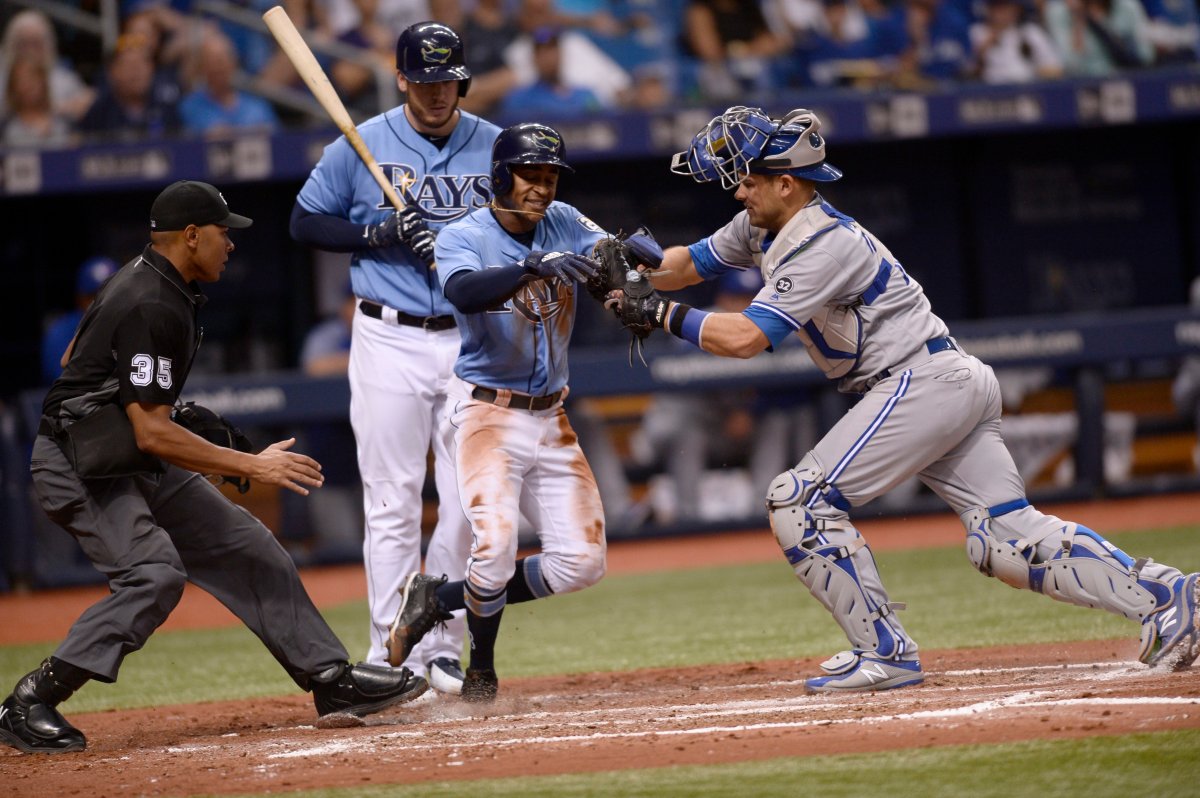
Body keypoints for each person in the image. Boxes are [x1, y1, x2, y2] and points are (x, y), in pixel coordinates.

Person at [615, 105, 1200, 692]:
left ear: (786, 183)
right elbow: (685, 264)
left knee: (800, 502)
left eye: (748, 180)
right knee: (1005, 540)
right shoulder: (765, 227)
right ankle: (1167, 594)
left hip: (920, 382)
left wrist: (658, 314)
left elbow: (744, 338)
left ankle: (885, 652)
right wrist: (616, 267)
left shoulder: (824, 243)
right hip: (942, 381)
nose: (739, 191)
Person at [0, 180, 428, 755]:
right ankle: (30, 699)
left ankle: (331, 680)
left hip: (124, 449)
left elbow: (74, 358)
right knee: (153, 576)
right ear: (193, 235)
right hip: (81, 463)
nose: (231, 245)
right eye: (225, 234)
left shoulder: (151, 281)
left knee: (249, 546)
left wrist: (131, 406)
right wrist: (252, 464)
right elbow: (151, 429)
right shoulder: (149, 299)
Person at [384, 122, 659, 701]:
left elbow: (611, 255)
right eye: (530, 175)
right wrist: (533, 268)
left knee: (582, 564)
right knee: (497, 543)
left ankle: (439, 598)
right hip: (487, 412)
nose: (542, 188)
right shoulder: (464, 235)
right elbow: (461, 292)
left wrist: (634, 260)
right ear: (500, 175)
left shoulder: (563, 218)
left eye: (550, 176)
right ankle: (481, 667)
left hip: (551, 416)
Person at [290, 21, 502, 696]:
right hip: (389, 335)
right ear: (402, 78)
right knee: (392, 500)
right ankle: (389, 652)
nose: (438, 93)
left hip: (471, 335)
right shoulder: (364, 141)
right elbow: (305, 221)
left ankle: (436, 638)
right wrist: (375, 232)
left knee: (471, 501)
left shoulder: (495, 145)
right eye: (425, 80)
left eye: (449, 81)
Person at [77, 32, 182, 141]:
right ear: (112, 72)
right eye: (129, 65)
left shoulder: (167, 104)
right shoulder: (99, 111)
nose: (136, 72)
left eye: (142, 64)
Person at [178, 29, 279, 137]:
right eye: (211, 62)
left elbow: (275, 136)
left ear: (233, 63)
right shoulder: (191, 105)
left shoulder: (256, 104)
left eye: (221, 61)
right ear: (202, 67)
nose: (218, 68)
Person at [0, 8, 94, 122]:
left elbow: (88, 105)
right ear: (12, 45)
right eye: (23, 43)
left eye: (35, 43)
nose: (30, 51)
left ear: (48, 45)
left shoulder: (65, 80)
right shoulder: (2, 80)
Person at [41, 256, 119, 385]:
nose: (104, 302)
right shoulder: (61, 332)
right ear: (79, 299)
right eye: (94, 296)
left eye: (112, 294)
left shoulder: (135, 326)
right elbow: (70, 386)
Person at [499, 27, 602, 116]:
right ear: (534, 58)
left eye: (552, 49)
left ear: (561, 54)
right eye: (541, 52)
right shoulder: (520, 99)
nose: (548, 58)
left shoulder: (585, 96)